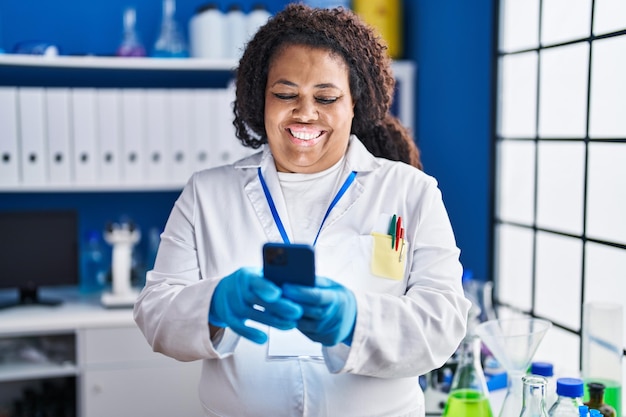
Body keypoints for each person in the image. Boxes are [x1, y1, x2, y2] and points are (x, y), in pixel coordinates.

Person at [133, 4, 470, 417]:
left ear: (354, 104)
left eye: (326, 97)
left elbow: (444, 323)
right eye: (285, 94)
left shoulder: (411, 191)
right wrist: (215, 303)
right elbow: (155, 311)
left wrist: (355, 319)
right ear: (260, 99)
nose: (305, 112)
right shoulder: (206, 193)